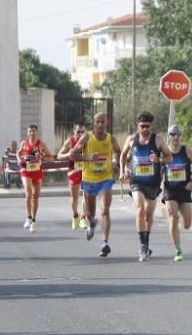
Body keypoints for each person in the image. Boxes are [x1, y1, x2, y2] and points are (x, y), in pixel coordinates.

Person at [68, 112, 122, 257]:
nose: (100, 125)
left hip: (105, 178)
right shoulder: (87, 137)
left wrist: (116, 162)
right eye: (97, 122)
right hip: (89, 179)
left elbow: (118, 151)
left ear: (107, 123)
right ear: (94, 123)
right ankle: (92, 223)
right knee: (90, 213)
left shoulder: (111, 139)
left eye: (102, 122)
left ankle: (105, 242)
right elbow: (72, 154)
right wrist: (87, 157)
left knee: (105, 210)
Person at [120, 112, 172, 261]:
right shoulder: (131, 140)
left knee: (149, 216)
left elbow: (170, 157)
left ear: (151, 126)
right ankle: (142, 246)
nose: (144, 129)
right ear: (138, 126)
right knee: (140, 209)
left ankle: (146, 244)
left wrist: (159, 159)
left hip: (153, 183)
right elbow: (123, 155)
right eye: (142, 126)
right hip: (137, 182)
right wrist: (124, 169)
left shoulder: (158, 141)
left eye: (147, 126)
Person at [161, 124, 192, 262]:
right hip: (170, 189)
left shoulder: (186, 151)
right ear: (169, 137)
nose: (175, 137)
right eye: (173, 135)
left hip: (184, 190)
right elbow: (158, 170)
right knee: (173, 218)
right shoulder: (164, 153)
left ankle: (180, 222)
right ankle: (178, 250)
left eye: (178, 134)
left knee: (187, 224)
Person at [18, 124, 53, 232]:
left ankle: (33, 219)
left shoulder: (41, 145)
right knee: (28, 193)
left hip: (37, 171)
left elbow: (51, 158)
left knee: (35, 197)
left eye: (33, 131)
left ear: (37, 132)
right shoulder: (24, 143)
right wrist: (19, 160)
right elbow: (18, 153)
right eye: (30, 131)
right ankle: (28, 217)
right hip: (26, 171)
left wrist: (42, 157)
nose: (32, 133)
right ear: (27, 133)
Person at [57, 122, 90, 231]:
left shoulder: (87, 140)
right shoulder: (70, 141)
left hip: (86, 170)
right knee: (74, 197)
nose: (80, 134)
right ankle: (75, 215)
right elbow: (59, 156)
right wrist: (69, 154)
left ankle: (83, 218)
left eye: (82, 132)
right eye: (78, 132)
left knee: (87, 195)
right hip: (73, 170)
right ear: (74, 131)